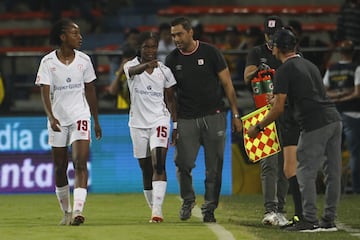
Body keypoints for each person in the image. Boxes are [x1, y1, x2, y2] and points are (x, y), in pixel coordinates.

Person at [248, 28, 342, 232]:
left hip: (314, 123)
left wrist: (258, 127)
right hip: (334, 118)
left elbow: (279, 108)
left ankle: (308, 220)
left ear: (277, 48)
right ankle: (329, 220)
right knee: (333, 173)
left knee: (304, 171)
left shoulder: (284, 70)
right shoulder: (310, 65)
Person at [165, 16, 242, 223]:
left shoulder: (211, 52)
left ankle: (209, 208)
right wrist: (172, 123)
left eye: (179, 34)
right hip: (186, 118)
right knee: (182, 162)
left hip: (214, 115)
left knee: (214, 166)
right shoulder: (172, 60)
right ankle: (188, 199)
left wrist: (235, 114)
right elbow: (169, 96)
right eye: (173, 35)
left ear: (190, 32)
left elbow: (227, 85)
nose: (176, 39)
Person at [35, 18, 102, 226]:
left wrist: (96, 119)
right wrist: (51, 116)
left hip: (80, 116)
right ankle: (66, 211)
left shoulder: (84, 60)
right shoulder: (47, 62)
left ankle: (78, 212)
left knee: (80, 162)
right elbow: (45, 92)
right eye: (75, 33)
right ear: (63, 37)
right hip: (57, 120)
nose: (80, 37)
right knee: (59, 166)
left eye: (80, 33)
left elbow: (90, 90)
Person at [123, 31, 177, 223]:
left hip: (159, 121)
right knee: (146, 169)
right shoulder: (130, 66)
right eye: (147, 47)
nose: (152, 50)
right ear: (140, 48)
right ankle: (152, 207)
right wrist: (147, 65)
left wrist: (175, 124)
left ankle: (158, 210)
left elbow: (170, 100)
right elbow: (131, 72)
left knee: (159, 163)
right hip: (137, 124)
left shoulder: (165, 71)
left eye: (154, 47)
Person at [243, 15, 289, 227]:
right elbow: (246, 76)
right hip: (264, 113)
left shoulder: (287, 52)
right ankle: (271, 209)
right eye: (268, 34)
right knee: (269, 163)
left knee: (286, 164)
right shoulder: (257, 52)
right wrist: (256, 72)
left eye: (275, 34)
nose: (271, 38)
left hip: (287, 112)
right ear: (264, 34)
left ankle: (281, 208)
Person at [323, 40, 360, 194]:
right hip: (353, 114)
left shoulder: (332, 68)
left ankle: (332, 189)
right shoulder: (356, 68)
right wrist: (345, 94)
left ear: (340, 51)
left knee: (333, 153)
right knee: (355, 153)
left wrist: (335, 96)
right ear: (353, 52)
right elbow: (357, 93)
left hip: (334, 114)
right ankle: (357, 188)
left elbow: (324, 92)